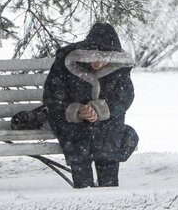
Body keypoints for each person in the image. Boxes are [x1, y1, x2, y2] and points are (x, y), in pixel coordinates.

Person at [43, 23, 135, 188]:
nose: (99, 63)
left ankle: (109, 187)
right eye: (94, 57)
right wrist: (77, 111)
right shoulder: (66, 61)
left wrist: (100, 110)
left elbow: (124, 98)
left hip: (107, 123)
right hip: (70, 122)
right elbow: (52, 96)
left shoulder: (119, 67)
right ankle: (83, 187)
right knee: (79, 141)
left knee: (109, 138)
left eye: (104, 58)